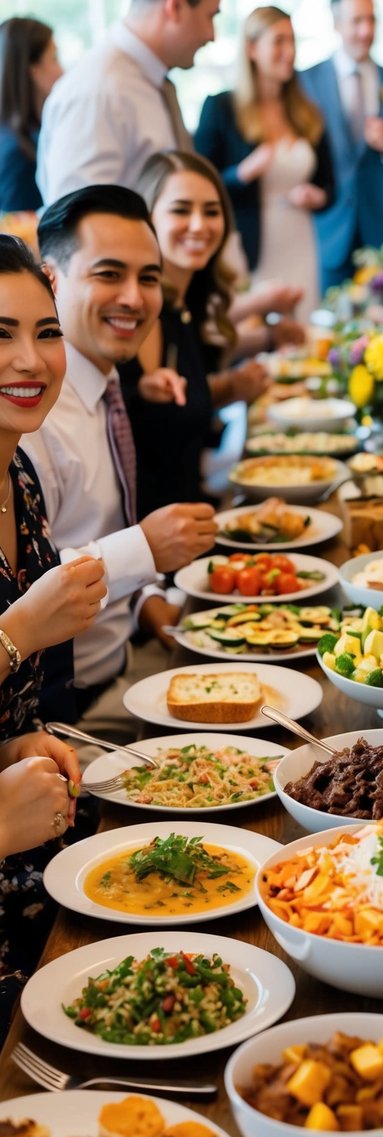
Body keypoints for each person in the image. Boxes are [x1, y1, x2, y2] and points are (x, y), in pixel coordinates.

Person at [20, 185, 218, 733]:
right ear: (51, 281)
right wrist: (145, 549)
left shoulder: (107, 384)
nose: (134, 297)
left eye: (148, 278)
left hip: (131, 661)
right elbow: (25, 589)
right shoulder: (33, 415)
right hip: (68, 710)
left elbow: (99, 527)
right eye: (109, 274)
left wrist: (148, 596)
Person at [0, 234, 109, 1039]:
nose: (30, 360)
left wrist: (19, 744)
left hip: (40, 850)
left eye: (44, 332)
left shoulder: (20, 475)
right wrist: (16, 632)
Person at [121, 150, 270, 516]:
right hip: (154, 539)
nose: (199, 225)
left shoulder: (187, 303)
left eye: (211, 211)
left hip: (196, 517)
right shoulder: (137, 314)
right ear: (148, 218)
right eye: (181, 210)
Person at [195, 6, 334, 324]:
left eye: (292, 42)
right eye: (279, 42)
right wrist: (242, 173)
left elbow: (331, 185)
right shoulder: (221, 107)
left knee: (300, 325)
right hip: (248, 245)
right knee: (253, 329)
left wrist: (318, 197)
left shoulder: (307, 113)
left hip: (301, 238)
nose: (289, 52)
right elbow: (201, 184)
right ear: (252, 48)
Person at [36, 0, 220, 205]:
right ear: (175, 8)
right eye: (211, 16)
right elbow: (78, 222)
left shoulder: (146, 81)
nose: (212, 36)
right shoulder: (98, 91)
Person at [300, 0, 383, 292]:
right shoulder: (306, 81)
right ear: (336, 23)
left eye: (371, 21)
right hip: (326, 230)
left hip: (377, 230)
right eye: (356, 21)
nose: (366, 31)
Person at [0, 17, 62, 213]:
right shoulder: (17, 153)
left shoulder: (25, 136)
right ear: (33, 69)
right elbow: (18, 236)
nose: (62, 70)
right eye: (54, 58)